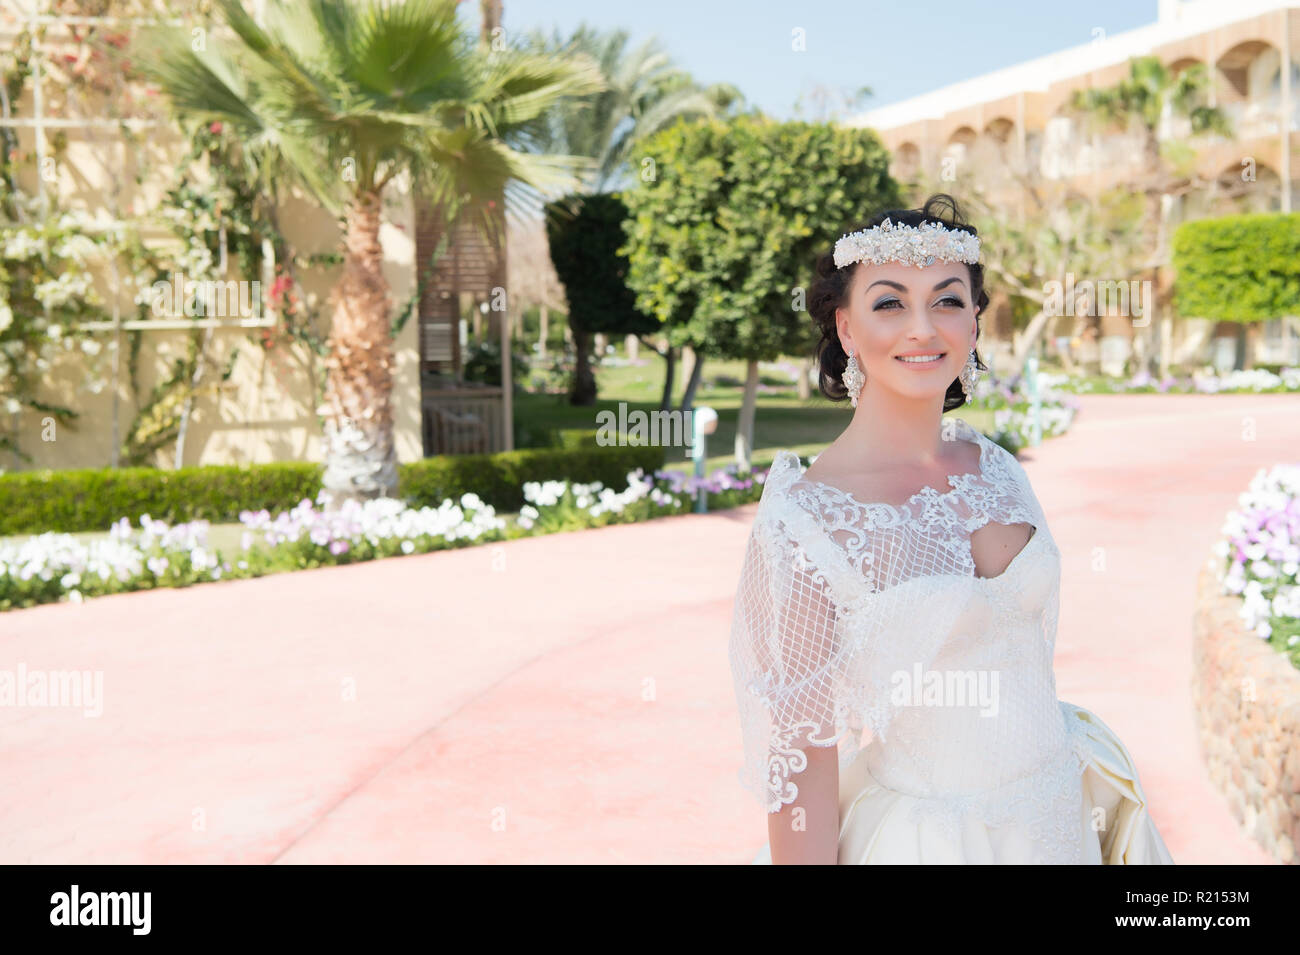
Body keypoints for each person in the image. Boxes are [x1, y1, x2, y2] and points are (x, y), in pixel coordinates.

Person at [726, 194, 1174, 865]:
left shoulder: (995, 466)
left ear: (973, 322)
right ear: (846, 328)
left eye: (947, 299)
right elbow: (800, 762)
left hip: (1058, 823)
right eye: (889, 303)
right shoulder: (805, 522)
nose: (922, 327)